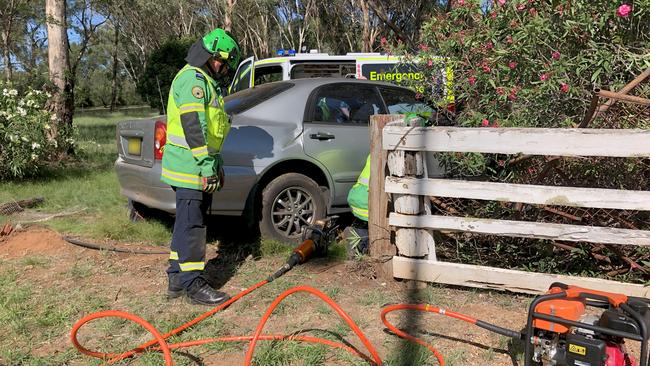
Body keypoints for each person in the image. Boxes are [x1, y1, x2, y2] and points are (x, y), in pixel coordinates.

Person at [161, 28, 240, 306]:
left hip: (193, 165)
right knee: (193, 225)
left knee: (184, 222)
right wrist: (206, 164)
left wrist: (214, 161)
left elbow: (211, 131)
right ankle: (193, 285)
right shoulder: (193, 79)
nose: (224, 67)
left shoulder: (204, 81)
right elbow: (194, 126)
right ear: (213, 56)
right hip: (190, 167)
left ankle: (175, 277)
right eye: (224, 61)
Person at [344, 154, 370, 258]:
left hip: (356, 195)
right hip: (366, 202)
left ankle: (354, 233)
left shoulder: (373, 154)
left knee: (363, 223)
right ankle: (359, 242)